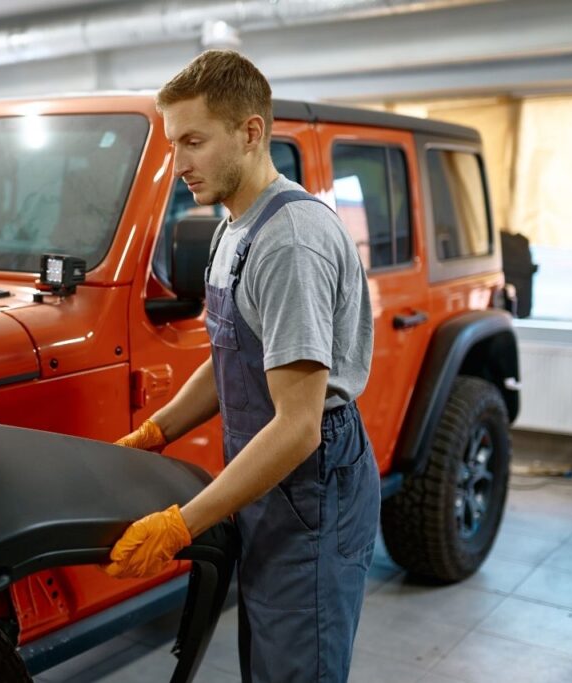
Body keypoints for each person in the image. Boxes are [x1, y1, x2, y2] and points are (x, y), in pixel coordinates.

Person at [102, 50, 380, 682]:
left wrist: (180, 524)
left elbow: (298, 426)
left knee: (296, 667)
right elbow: (233, 354)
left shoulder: (289, 242)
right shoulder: (235, 226)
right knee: (271, 657)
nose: (179, 166)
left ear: (251, 132)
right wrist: (159, 431)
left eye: (194, 142)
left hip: (310, 485)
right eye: (174, 144)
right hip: (269, 478)